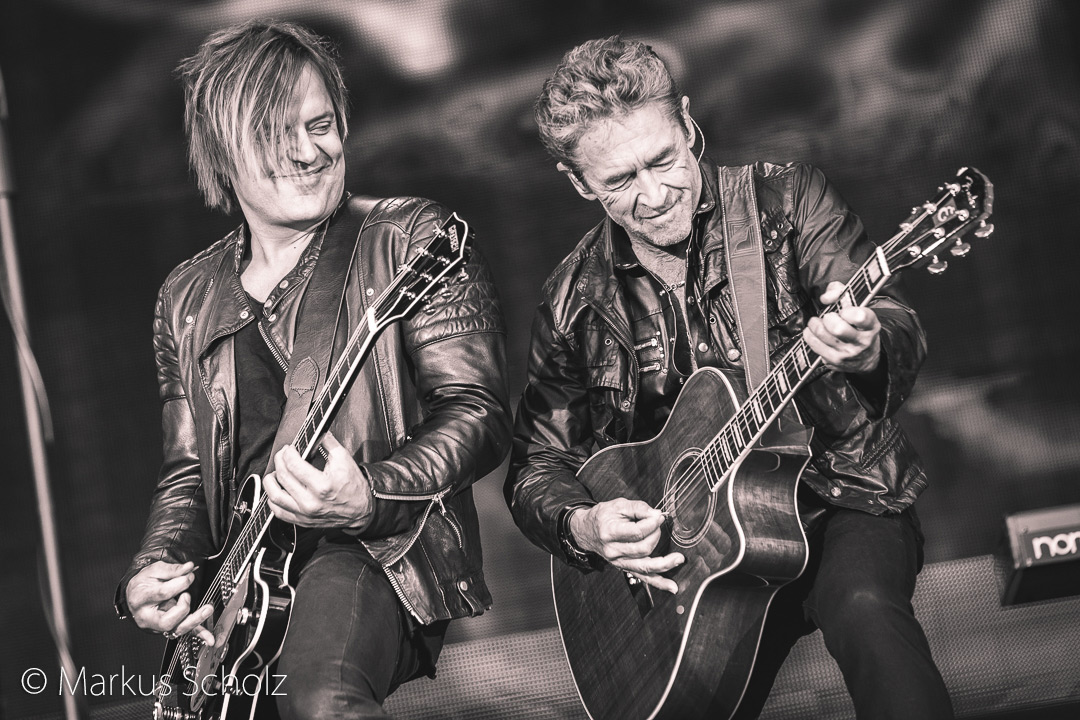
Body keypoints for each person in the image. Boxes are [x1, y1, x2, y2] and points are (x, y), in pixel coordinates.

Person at [505, 36, 953, 719]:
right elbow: (538, 463)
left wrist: (866, 347)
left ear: (688, 124)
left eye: (663, 160)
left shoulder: (786, 199)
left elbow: (891, 319)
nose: (654, 195)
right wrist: (585, 524)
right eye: (620, 181)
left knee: (864, 607)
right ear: (578, 182)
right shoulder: (573, 298)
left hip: (842, 495)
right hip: (698, 563)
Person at [115, 20, 512, 719]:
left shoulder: (409, 239)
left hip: (374, 550)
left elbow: (477, 412)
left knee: (323, 696)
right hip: (240, 593)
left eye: (321, 125)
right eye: (277, 134)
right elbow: (187, 471)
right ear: (222, 151)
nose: (308, 151)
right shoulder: (185, 297)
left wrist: (371, 494)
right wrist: (155, 568)